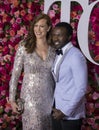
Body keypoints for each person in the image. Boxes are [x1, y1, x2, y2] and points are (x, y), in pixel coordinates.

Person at [9, 13, 55, 130]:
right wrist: (12, 99)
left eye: (42, 26)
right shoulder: (24, 46)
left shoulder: (54, 49)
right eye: (36, 26)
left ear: (48, 28)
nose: (38, 30)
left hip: (50, 99)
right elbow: (15, 74)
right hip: (30, 99)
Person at [51, 22, 88, 130]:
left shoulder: (76, 56)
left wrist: (65, 111)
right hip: (56, 110)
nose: (55, 38)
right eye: (54, 34)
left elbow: (81, 88)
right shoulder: (58, 52)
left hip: (70, 114)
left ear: (69, 37)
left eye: (59, 35)